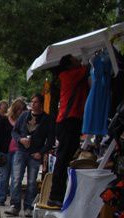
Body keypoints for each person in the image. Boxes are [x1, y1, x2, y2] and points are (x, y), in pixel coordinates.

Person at [47, 55, 89, 207]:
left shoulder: (69, 74)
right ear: (70, 65)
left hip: (71, 120)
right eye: (75, 59)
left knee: (65, 157)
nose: (79, 59)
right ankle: (55, 195)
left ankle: (58, 194)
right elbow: (89, 67)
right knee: (63, 158)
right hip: (67, 121)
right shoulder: (69, 75)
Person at [5, 94, 55, 217]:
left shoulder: (47, 119)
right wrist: (20, 140)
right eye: (32, 102)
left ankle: (29, 207)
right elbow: (14, 131)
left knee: (32, 182)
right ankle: (15, 206)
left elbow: (50, 140)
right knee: (16, 179)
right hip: (20, 151)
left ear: (41, 104)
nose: (33, 104)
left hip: (35, 153)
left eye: (36, 102)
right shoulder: (24, 116)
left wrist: (41, 152)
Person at [0, 98, 27, 206]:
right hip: (5, 151)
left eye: (23, 110)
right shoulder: (5, 119)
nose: (22, 112)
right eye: (20, 110)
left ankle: (14, 200)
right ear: (15, 109)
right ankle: (1, 197)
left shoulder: (24, 121)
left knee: (16, 177)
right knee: (4, 175)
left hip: (18, 151)